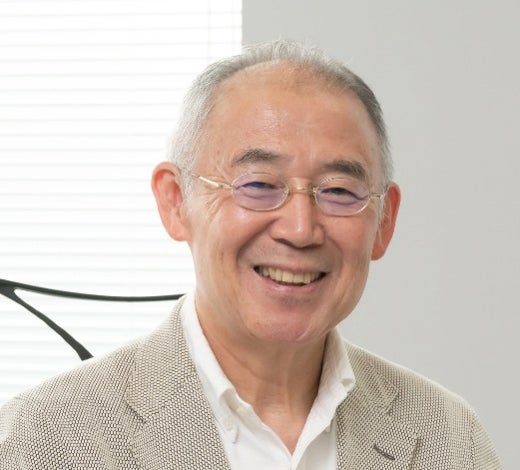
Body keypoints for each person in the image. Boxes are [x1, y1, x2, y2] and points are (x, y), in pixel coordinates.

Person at [0, 40, 500, 469]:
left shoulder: (447, 438)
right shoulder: (42, 441)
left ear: (384, 222)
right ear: (175, 202)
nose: (300, 229)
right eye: (259, 184)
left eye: (338, 190)